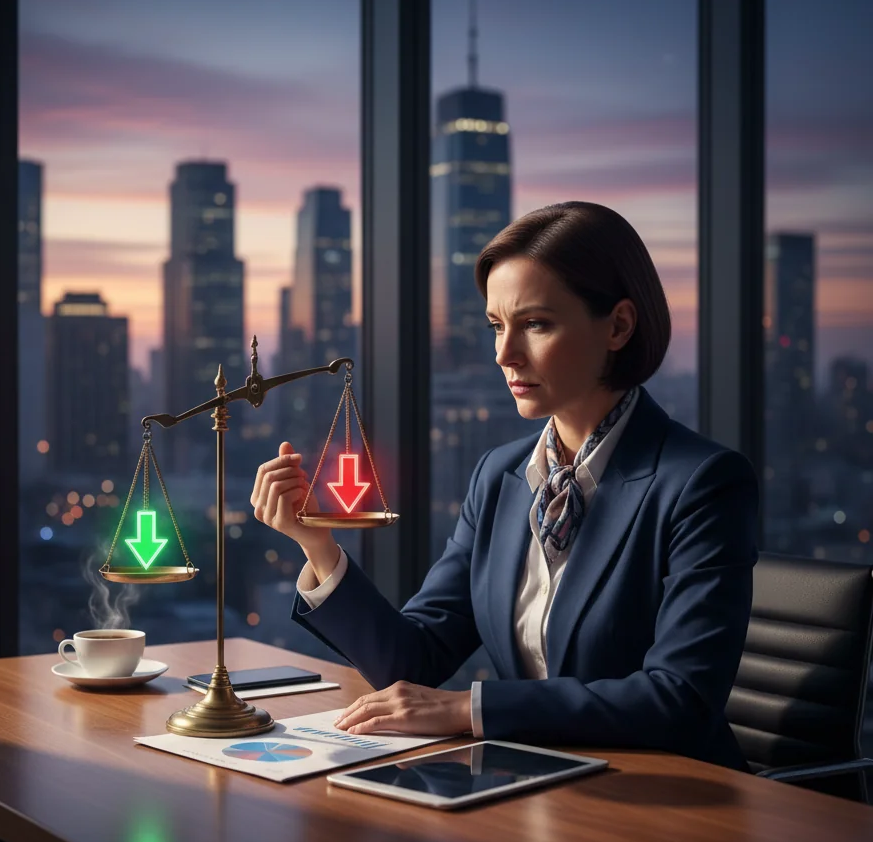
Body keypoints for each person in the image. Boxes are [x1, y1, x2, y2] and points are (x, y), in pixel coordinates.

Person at [250, 201, 758, 770]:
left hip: (673, 802)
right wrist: (316, 543)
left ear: (618, 325)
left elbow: (680, 699)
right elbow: (412, 662)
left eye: (535, 324)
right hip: (537, 785)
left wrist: (469, 709)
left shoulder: (701, 484)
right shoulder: (502, 476)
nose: (503, 354)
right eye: (496, 325)